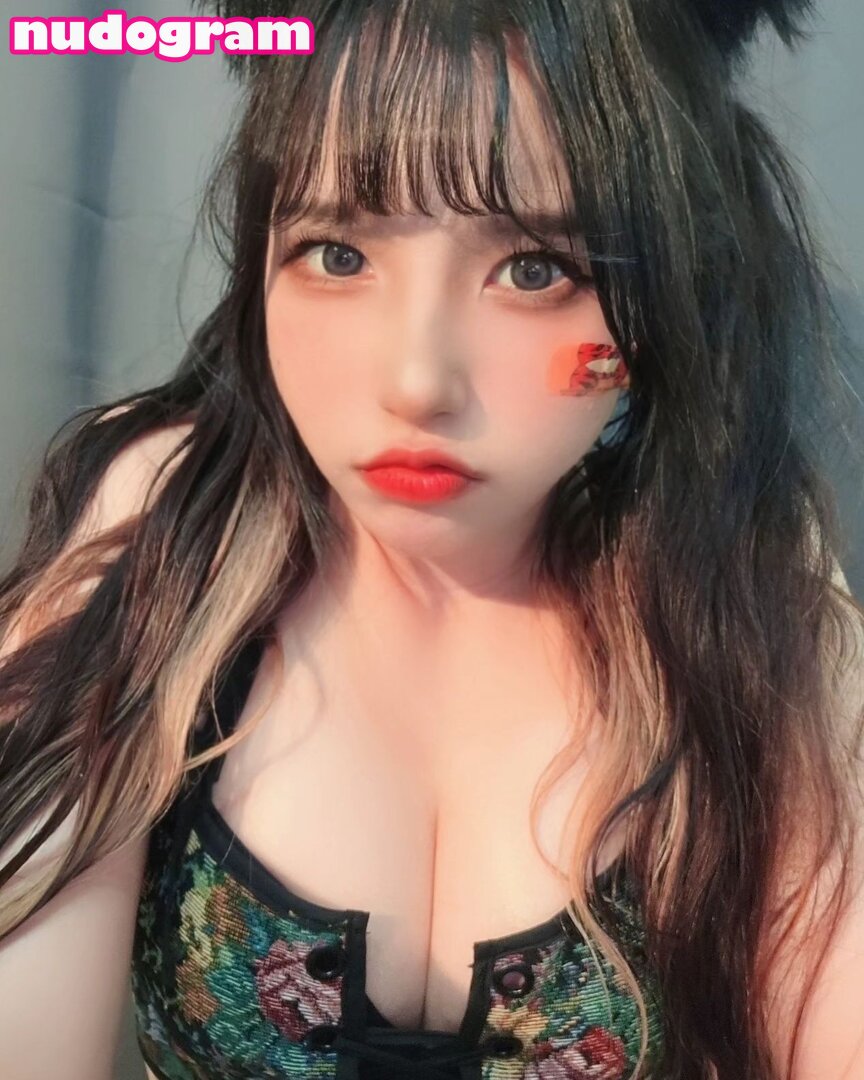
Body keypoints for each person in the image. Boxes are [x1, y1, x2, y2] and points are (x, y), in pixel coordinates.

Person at [1, 0, 863, 1077]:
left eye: (537, 269)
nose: (416, 382)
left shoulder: (739, 581)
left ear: (659, 288)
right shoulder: (170, 528)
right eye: (337, 254)